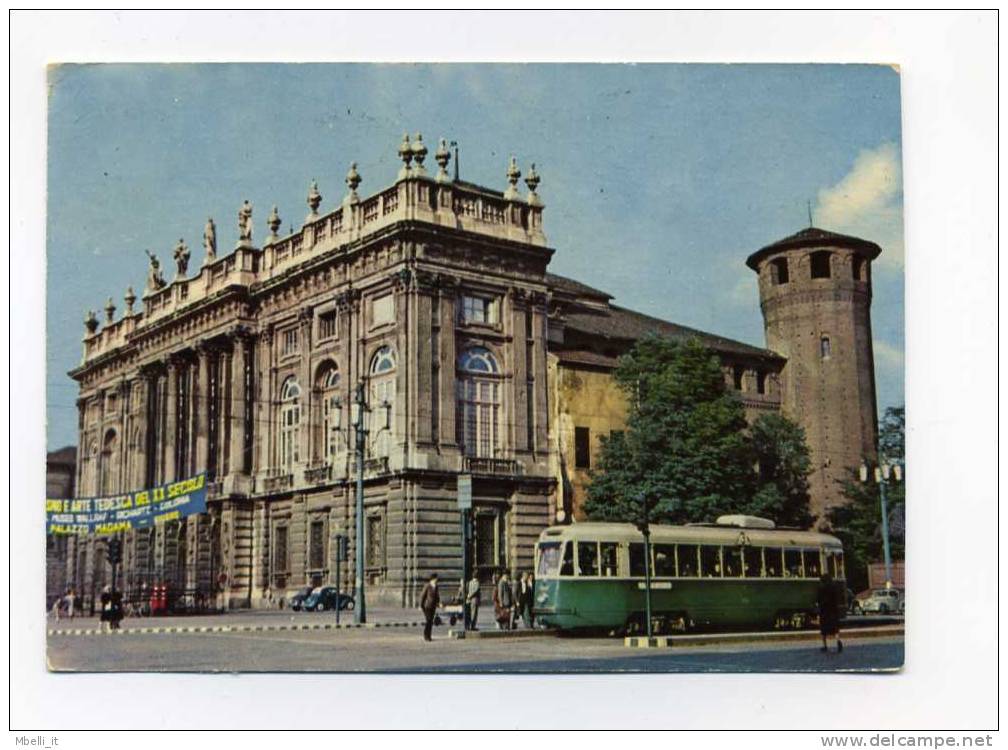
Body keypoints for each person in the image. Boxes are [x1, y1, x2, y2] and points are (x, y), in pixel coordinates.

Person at [817, 573, 843, 653]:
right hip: (833, 611)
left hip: (824, 611)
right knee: (835, 628)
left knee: (823, 630)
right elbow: (837, 599)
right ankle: (838, 640)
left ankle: (824, 646)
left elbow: (819, 599)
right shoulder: (834, 588)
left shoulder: (821, 588)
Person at [420, 572, 441, 642]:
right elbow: (423, 596)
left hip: (433, 606)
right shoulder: (427, 586)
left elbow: (437, 596)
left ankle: (429, 635)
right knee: (428, 620)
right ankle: (426, 635)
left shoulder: (436, 586)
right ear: (433, 579)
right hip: (427, 606)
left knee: (431, 621)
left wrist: (439, 603)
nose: (437, 580)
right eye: (436, 578)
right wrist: (421, 605)